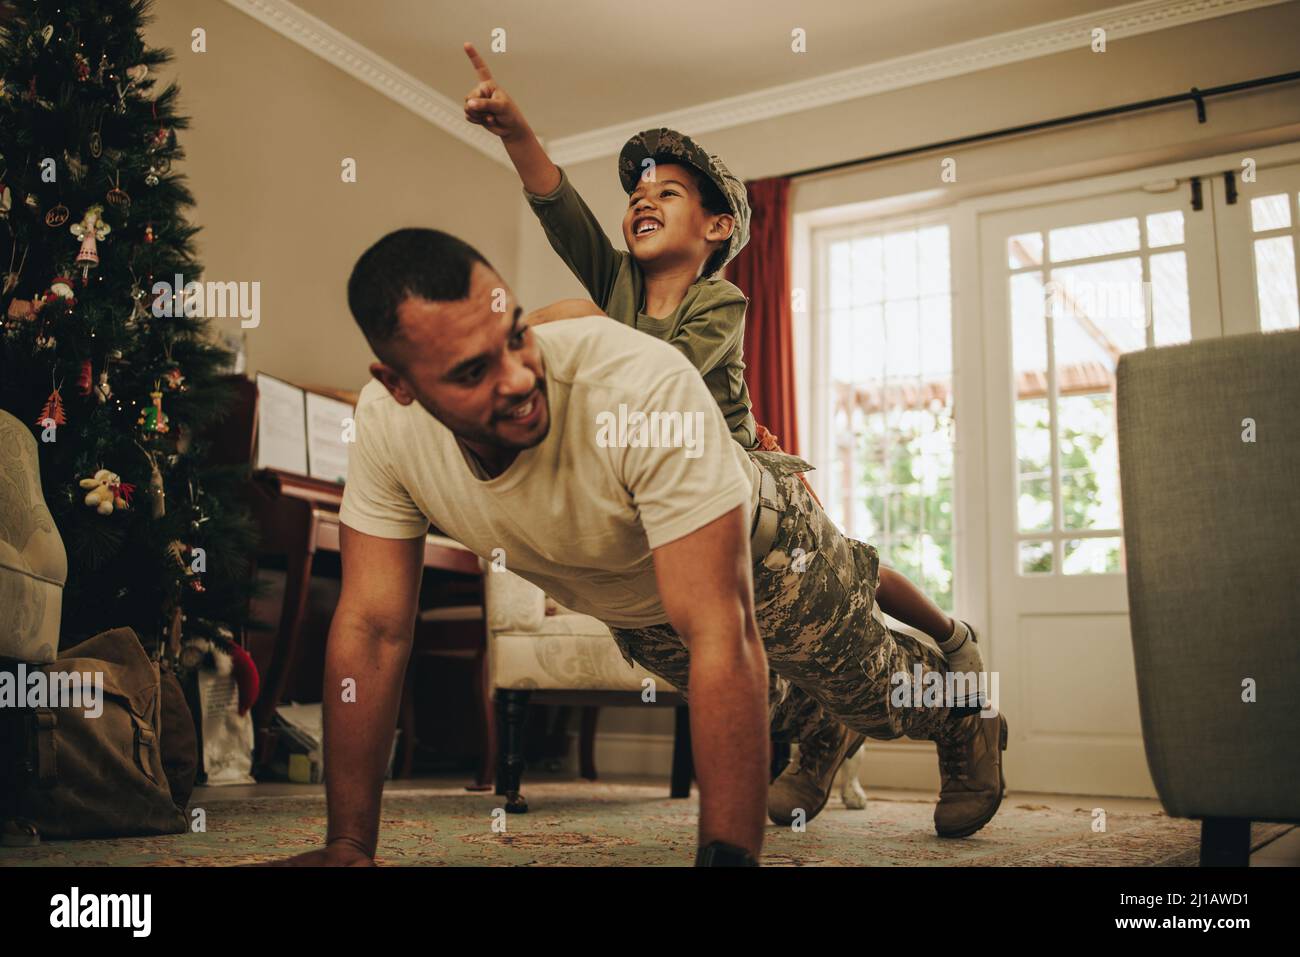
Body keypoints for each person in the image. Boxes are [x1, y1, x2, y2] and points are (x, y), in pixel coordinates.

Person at [273, 229, 1007, 866]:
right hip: (637, 606)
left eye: (517, 335)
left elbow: (723, 626)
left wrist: (726, 857)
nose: (521, 377)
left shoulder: (637, 386)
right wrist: (350, 845)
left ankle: (964, 711)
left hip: (770, 555)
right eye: (473, 371)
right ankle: (821, 728)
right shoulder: (386, 429)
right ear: (398, 385)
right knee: (778, 707)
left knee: (877, 698)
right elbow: (372, 628)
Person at [461, 43, 988, 824]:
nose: (644, 199)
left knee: (855, 671)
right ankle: (818, 737)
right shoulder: (615, 285)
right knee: (736, 677)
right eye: (638, 192)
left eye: (668, 192)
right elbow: (558, 206)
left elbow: (663, 376)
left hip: (750, 507)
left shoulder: (718, 303)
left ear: (717, 226)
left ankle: (965, 719)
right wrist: (515, 132)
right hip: (653, 531)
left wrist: (574, 320)